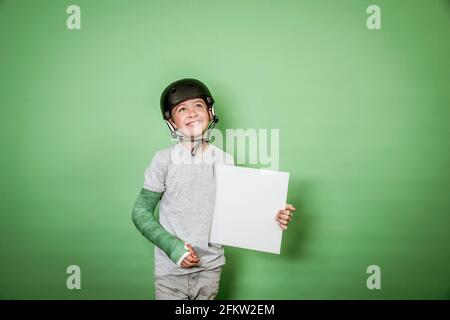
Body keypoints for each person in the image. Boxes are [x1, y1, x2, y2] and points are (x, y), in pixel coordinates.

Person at [132, 78, 296, 300]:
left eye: (198, 106)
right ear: (171, 121)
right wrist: (173, 248)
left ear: (210, 112)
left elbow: (236, 212)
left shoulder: (224, 160)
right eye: (182, 109)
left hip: (210, 269)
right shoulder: (163, 160)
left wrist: (271, 215)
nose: (192, 113)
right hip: (170, 271)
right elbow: (140, 213)